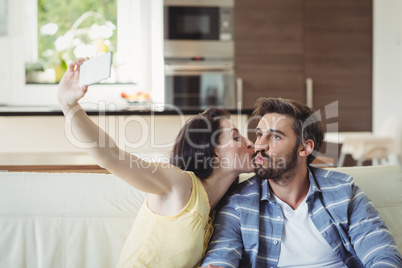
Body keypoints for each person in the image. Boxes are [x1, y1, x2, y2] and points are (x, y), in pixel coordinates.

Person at [57, 58, 254, 267]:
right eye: (236, 137)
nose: (249, 142)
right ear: (212, 152)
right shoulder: (180, 184)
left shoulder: (217, 210)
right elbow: (111, 155)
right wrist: (69, 105)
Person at [201, 97, 402, 268]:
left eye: (275, 136)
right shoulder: (238, 202)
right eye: (260, 134)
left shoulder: (343, 192)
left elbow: (382, 254)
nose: (259, 145)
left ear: (305, 148)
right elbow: (222, 254)